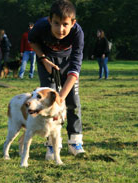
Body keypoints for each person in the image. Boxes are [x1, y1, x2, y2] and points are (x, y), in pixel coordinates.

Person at [28, 0, 85, 158]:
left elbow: (75, 70)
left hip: (68, 66)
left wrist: (61, 98)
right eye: (56, 23)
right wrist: (44, 59)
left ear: (73, 23)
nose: (61, 29)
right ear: (49, 21)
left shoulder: (78, 33)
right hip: (47, 62)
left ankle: (75, 141)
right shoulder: (40, 26)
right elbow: (32, 42)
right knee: (48, 103)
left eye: (65, 24)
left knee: (73, 102)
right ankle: (52, 144)